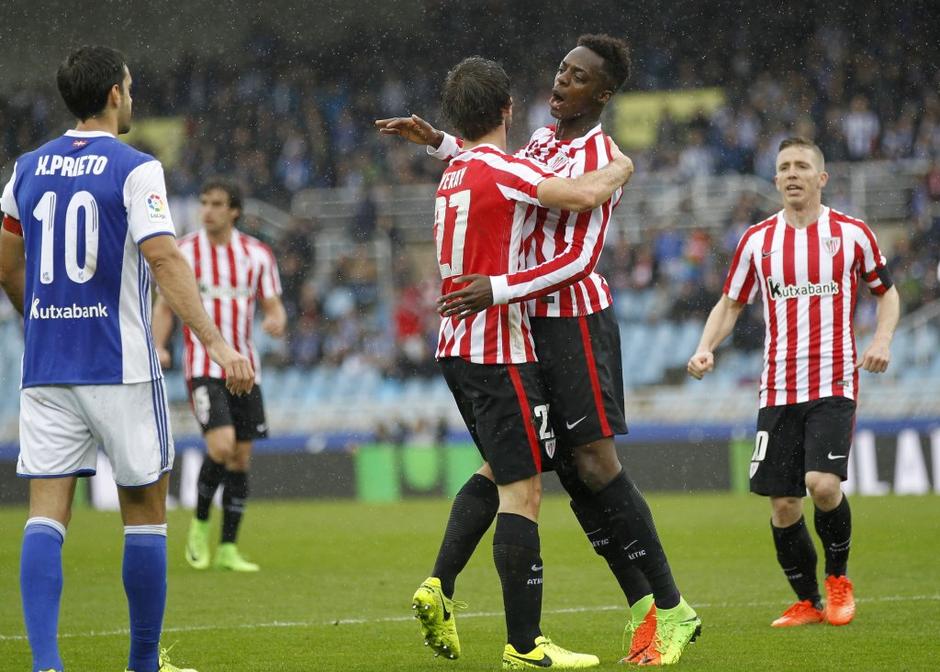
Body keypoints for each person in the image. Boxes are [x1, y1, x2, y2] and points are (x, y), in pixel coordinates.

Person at [377, 35, 700, 666]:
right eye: (559, 70)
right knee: (545, 467)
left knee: (594, 465)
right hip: (521, 322)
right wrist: (441, 142)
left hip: (571, 320)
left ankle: (671, 608)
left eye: (577, 78)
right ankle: (639, 612)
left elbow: (580, 257)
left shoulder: (602, 154)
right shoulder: (544, 145)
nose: (560, 83)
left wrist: (497, 288)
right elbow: (493, 173)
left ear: (602, 94)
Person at [0, 46, 254, 672]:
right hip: (121, 364)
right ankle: (142, 663)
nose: (132, 97)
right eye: (131, 87)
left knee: (45, 513)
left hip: (49, 365)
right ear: (115, 94)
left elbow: (7, 263)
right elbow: (165, 258)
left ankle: (46, 664)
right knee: (145, 513)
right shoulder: (135, 168)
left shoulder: (25, 168)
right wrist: (217, 344)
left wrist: (39, 319)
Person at [417, 55, 634, 669]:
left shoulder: (456, 169)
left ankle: (439, 583)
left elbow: (471, 157)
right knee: (524, 491)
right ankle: (524, 645)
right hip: (498, 348)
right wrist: (622, 165)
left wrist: (437, 141)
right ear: (509, 110)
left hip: (455, 347)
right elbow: (586, 193)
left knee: (499, 467)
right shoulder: (506, 169)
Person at [687, 137, 900, 628]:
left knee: (821, 485)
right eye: (784, 167)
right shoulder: (757, 240)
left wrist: (883, 339)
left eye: (802, 166)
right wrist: (705, 347)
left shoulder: (852, 234)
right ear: (776, 178)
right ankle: (808, 601)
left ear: (821, 178)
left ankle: (839, 581)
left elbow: (886, 294)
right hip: (777, 388)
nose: (792, 174)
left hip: (833, 382)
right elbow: (731, 303)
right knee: (783, 503)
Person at [152, 177, 286, 572]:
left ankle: (228, 547)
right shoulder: (185, 252)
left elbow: (273, 304)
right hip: (203, 367)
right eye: (204, 202)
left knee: (242, 457)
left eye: (216, 204)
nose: (207, 210)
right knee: (222, 446)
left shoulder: (257, 254)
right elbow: (164, 307)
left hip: (246, 368)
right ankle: (198, 525)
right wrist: (160, 345)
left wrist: (276, 321)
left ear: (234, 212)